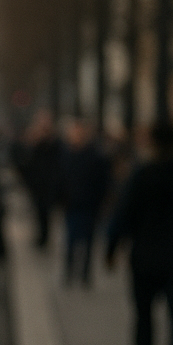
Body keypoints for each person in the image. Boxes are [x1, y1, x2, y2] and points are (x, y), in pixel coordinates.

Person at [106, 123, 173, 345]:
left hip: (145, 258)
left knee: (143, 318)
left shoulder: (142, 174)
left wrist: (111, 249)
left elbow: (124, 213)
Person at [57, 118, 111, 286]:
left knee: (87, 242)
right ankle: (69, 273)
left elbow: (103, 181)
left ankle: (85, 275)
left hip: (89, 205)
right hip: (72, 205)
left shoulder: (95, 157)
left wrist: (100, 201)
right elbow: (60, 179)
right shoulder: (66, 155)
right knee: (71, 241)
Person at [17, 110, 61, 248]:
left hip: (48, 184)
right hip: (37, 184)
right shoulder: (34, 142)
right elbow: (27, 161)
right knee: (38, 212)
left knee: (45, 213)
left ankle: (44, 237)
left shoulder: (54, 142)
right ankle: (41, 236)